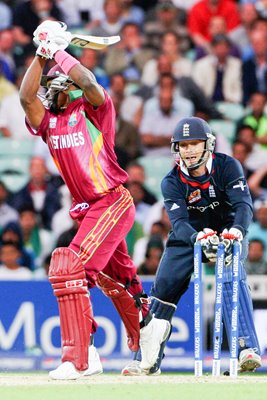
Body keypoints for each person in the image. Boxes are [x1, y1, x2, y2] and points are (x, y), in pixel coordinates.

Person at [19, 20, 170, 380]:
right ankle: (148, 333)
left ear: (66, 89)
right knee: (117, 281)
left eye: (54, 86)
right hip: (88, 210)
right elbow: (26, 97)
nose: (48, 93)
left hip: (112, 201)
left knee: (68, 266)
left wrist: (58, 51)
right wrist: (42, 53)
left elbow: (88, 81)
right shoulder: (49, 124)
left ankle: (81, 357)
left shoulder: (95, 113)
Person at [122, 116, 262, 376]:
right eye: (184, 145)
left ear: (208, 145)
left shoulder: (227, 166)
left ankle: (246, 349)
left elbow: (243, 205)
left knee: (231, 274)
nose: (189, 151)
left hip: (227, 229)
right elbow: (179, 222)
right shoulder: (171, 181)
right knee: (162, 288)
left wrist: (237, 231)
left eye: (194, 144)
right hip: (189, 236)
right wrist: (197, 238)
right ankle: (146, 360)